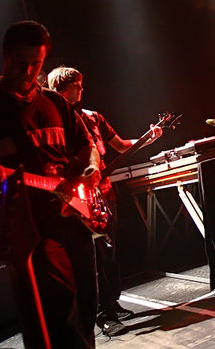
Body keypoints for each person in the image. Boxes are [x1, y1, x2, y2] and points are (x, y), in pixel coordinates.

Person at [0, 21, 100, 348]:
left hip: (73, 216)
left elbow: (86, 146)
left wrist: (90, 169)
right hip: (27, 230)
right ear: (6, 56)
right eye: (22, 62)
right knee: (57, 315)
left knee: (86, 307)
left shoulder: (55, 102)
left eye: (37, 63)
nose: (29, 71)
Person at [47, 66, 162, 336]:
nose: (82, 89)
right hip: (77, 198)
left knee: (109, 253)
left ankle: (112, 303)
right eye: (76, 85)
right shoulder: (55, 122)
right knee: (94, 257)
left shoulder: (93, 117)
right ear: (61, 88)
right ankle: (103, 315)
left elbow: (120, 145)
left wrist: (148, 139)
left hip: (105, 193)